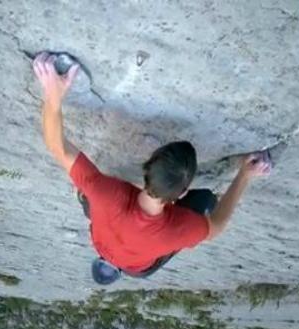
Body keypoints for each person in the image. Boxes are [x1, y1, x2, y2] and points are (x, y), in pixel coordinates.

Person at [32, 52, 271, 284]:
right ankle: (113, 256)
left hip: (108, 235)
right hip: (137, 266)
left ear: (147, 165)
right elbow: (215, 227)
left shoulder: (106, 194)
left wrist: (53, 95)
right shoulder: (177, 230)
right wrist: (244, 175)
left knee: (87, 193)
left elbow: (57, 147)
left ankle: (107, 246)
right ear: (182, 194)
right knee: (206, 199)